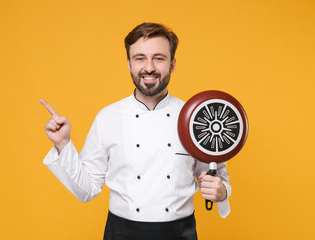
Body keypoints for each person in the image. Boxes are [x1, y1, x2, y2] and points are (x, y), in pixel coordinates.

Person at [40, 22, 231, 240]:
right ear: (129, 64)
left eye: (159, 58)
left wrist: (221, 191)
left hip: (179, 234)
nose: (149, 67)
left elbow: (216, 176)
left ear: (172, 65)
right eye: (140, 58)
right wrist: (63, 144)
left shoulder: (195, 118)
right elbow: (87, 190)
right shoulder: (107, 117)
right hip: (121, 233)